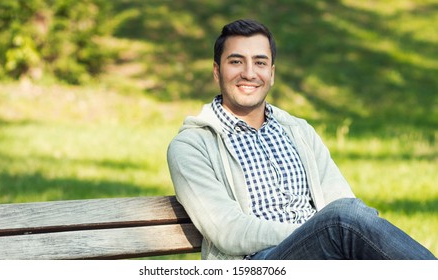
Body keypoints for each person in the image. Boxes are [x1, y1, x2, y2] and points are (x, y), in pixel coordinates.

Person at [167, 19, 436, 260]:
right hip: (258, 263)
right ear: (217, 71)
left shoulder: (298, 131)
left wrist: (325, 233)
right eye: (236, 61)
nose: (249, 73)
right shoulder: (191, 146)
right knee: (343, 219)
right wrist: (313, 232)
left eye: (260, 62)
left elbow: (340, 199)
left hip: (326, 252)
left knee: (346, 217)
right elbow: (228, 231)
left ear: (271, 73)